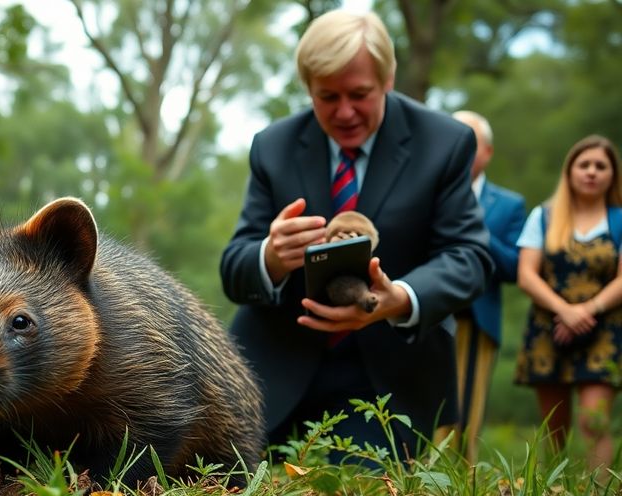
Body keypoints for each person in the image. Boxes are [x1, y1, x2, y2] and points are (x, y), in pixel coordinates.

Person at [219, 8, 493, 463]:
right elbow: (234, 267)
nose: (344, 112)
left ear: (388, 78)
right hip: (269, 377)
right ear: (308, 88)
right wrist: (271, 256)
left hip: (389, 383)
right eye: (327, 97)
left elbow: (469, 257)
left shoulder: (444, 142)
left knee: (356, 489)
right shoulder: (273, 145)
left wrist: (400, 298)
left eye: (360, 94)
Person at [515, 134, 622, 472]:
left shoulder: (619, 219)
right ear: (570, 171)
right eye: (584, 164)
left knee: (595, 422)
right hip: (550, 330)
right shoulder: (543, 217)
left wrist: (586, 310)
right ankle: (553, 495)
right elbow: (527, 275)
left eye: (601, 166)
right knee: (554, 426)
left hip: (605, 331)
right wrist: (565, 310)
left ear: (612, 174)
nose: (592, 172)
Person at [449, 110, 527, 464]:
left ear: (488, 152)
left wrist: (475, 226)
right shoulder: (427, 194)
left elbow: (514, 267)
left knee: (466, 409)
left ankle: (460, 487)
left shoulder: (509, 204)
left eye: (470, 143)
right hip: (425, 317)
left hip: (476, 321)